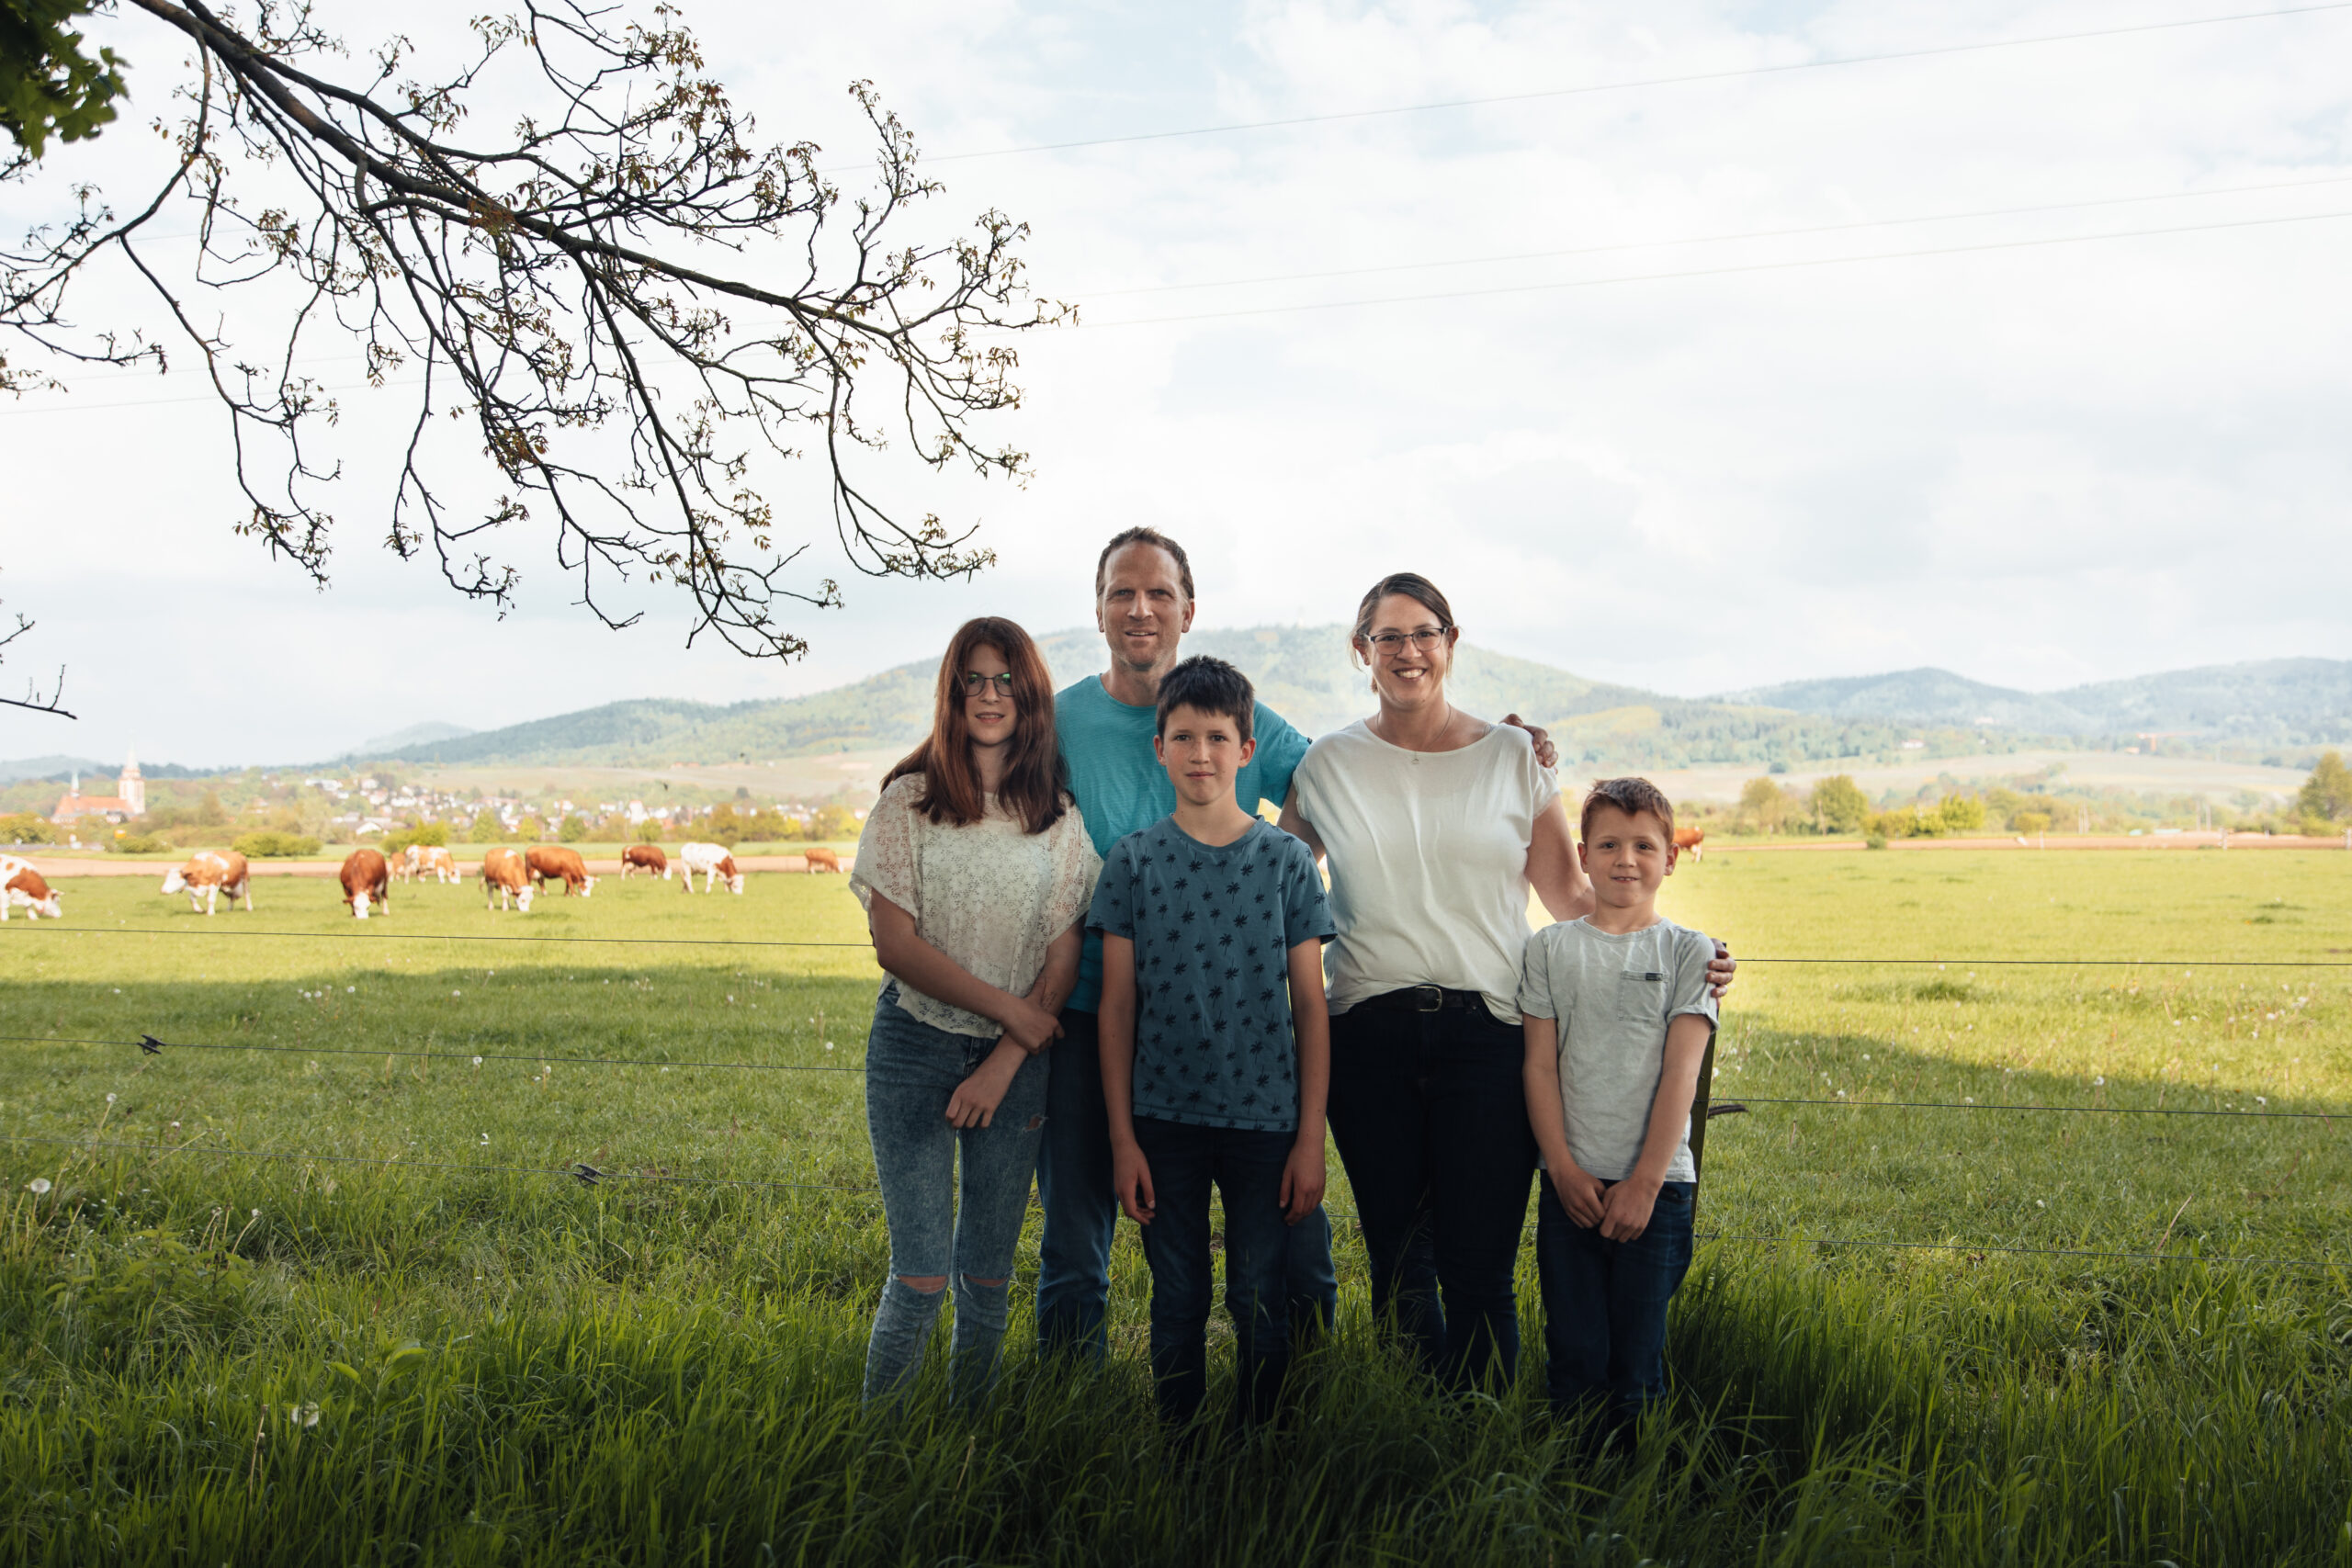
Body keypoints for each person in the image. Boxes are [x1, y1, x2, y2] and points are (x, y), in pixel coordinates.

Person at [1038, 527, 1561, 1359]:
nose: (1140, 609)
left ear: (1188, 610)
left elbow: (1340, 793)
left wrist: (1501, 751)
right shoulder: (1057, 719)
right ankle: (1069, 1415)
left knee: (1293, 1248)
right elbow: (986, 789)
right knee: (1079, 1240)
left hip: (1241, 1034)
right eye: (1121, 593)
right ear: (1098, 608)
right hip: (1088, 1006)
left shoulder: (1248, 720)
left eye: (1160, 593)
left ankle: (1303, 1405)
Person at [1280, 572, 1734, 1394]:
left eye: (1425, 633)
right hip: (1366, 1033)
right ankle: (1414, 1429)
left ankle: (1481, 1434)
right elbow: (1277, 891)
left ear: (1452, 643)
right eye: (1388, 637)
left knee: (1479, 1259)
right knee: (1398, 1253)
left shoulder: (1512, 755)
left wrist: (1688, 954)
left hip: (1489, 1036)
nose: (1408, 651)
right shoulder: (1327, 764)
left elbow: (1571, 896)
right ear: (1361, 651)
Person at [849, 616, 1102, 1407]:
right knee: (921, 1274)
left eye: (1006, 681)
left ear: (1030, 698)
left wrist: (1007, 1054)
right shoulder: (909, 802)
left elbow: (1063, 958)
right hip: (913, 1047)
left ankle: (969, 1439)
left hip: (1016, 1069)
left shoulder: (1055, 817)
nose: (989, 696)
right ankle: (880, 1449)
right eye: (974, 680)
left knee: (987, 1277)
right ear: (953, 694)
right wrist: (1013, 1015)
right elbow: (896, 943)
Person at [1091, 657, 1335, 1430]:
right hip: (1164, 1121)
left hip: (1268, 1123)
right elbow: (1116, 1006)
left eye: (1218, 737)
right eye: (1185, 736)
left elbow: (1311, 1006)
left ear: (1246, 749)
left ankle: (1259, 1449)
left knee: (1261, 1296)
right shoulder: (1132, 862)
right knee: (1179, 1296)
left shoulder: (1287, 863)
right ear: (1158, 748)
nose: (1201, 752)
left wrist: (1310, 1140)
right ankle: (1183, 1449)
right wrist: (1123, 1139)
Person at [1519, 777, 1715, 1450]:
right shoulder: (1549, 949)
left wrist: (1644, 1182)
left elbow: (1681, 1073)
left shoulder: (1692, 952)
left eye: (1643, 845)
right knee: (1573, 1355)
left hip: (1656, 1193)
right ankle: (1569, 1492)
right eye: (1608, 843)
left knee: (1636, 1363)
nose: (1625, 858)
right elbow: (1538, 1066)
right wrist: (1564, 1168)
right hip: (1570, 1189)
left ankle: (1638, 1503)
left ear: (1671, 857)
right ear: (1582, 854)